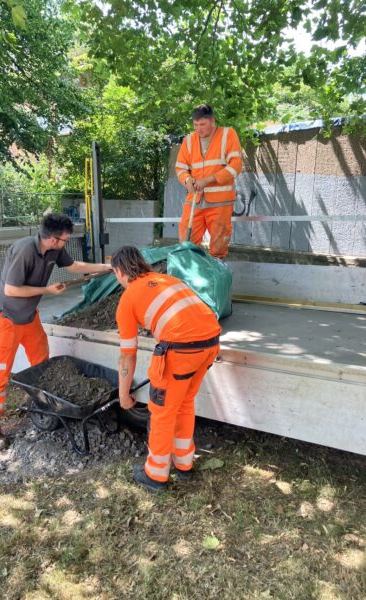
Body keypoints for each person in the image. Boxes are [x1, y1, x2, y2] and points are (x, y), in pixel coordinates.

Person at [0, 213, 112, 451]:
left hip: (29, 317)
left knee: (41, 362)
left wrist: (108, 267)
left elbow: (74, 266)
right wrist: (47, 290)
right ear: (52, 239)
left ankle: (41, 405)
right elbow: (11, 290)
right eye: (64, 240)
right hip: (7, 317)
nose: (65, 243)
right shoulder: (25, 251)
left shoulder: (54, 250)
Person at [111, 246, 221, 493]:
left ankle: (155, 475)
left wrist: (123, 395)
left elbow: (127, 356)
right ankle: (184, 464)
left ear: (119, 272)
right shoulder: (167, 279)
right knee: (184, 403)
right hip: (210, 343)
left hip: (181, 352)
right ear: (141, 263)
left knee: (161, 411)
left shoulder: (128, 298)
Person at [175, 103, 243, 259]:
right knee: (187, 242)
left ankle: (216, 275)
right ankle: (189, 276)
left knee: (218, 248)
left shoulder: (228, 135)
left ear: (212, 121)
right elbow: (180, 167)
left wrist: (209, 180)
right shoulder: (189, 140)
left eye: (202, 124)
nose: (198, 129)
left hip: (220, 202)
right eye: (195, 125)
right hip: (195, 200)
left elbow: (236, 166)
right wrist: (187, 180)